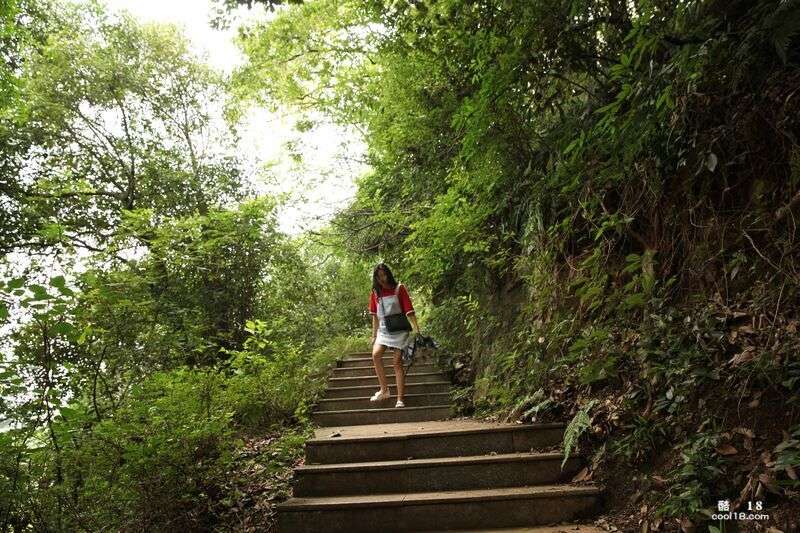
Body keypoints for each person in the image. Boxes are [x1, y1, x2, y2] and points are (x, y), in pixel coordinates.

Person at [368, 263, 420, 408]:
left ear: (388, 274)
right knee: (376, 355)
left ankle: (400, 399)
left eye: (384, 275)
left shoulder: (399, 288)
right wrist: (373, 336)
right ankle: (384, 390)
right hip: (383, 330)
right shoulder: (375, 292)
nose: (382, 279)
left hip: (400, 330)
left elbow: (410, 310)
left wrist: (417, 329)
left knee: (396, 362)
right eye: (378, 277)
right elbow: (374, 316)